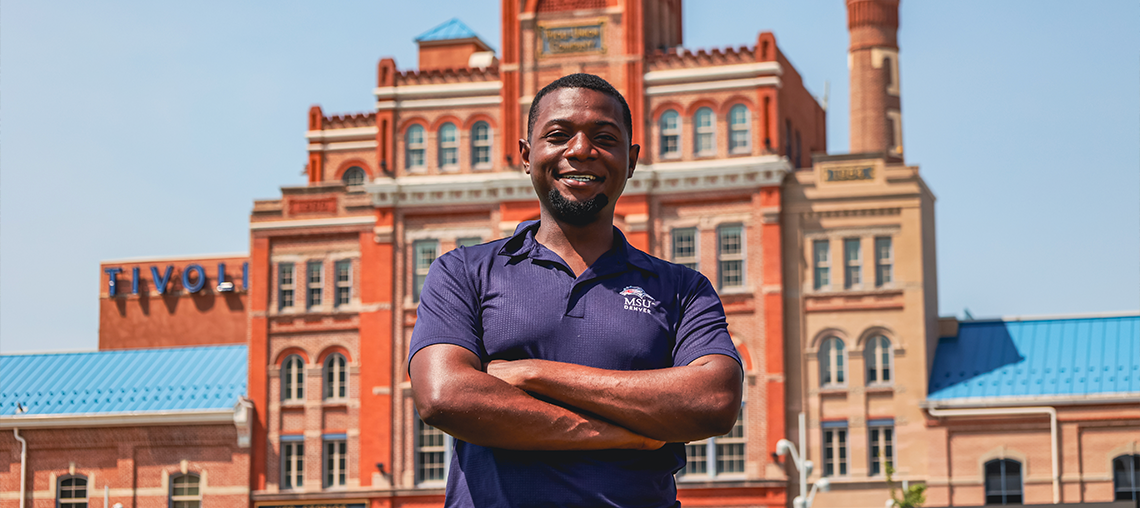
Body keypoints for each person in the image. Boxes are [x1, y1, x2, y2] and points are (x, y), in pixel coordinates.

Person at [408, 73, 743, 508]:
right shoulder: (463, 272)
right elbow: (443, 397)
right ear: (527, 155)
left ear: (632, 159)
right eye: (558, 134)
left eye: (604, 137)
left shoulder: (681, 289)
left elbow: (713, 399)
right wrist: (624, 434)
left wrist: (533, 374)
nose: (581, 150)